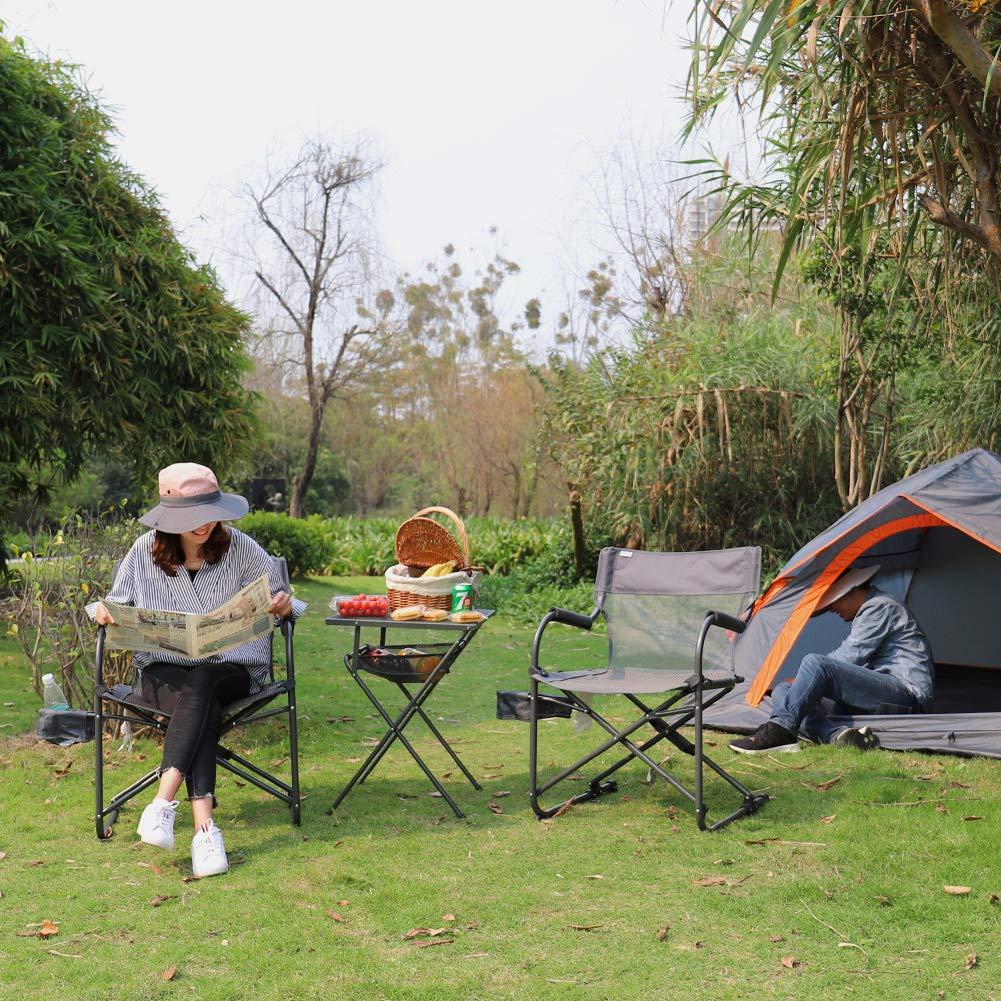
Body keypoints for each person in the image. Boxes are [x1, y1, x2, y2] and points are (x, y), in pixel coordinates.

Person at [90, 463, 305, 876]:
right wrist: (102, 611)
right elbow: (113, 604)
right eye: (193, 515)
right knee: (198, 701)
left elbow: (284, 600)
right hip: (163, 672)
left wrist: (282, 604)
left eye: (210, 512)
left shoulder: (241, 547)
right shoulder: (143, 551)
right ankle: (205, 832)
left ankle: (162, 803)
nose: (205, 523)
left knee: (203, 680)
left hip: (232, 670)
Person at [729, 564, 934, 754]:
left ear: (852, 591)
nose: (832, 609)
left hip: (907, 697)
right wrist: (802, 683)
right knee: (784, 690)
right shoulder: (870, 608)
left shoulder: (881, 606)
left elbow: (850, 657)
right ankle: (835, 736)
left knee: (815, 664)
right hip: (877, 697)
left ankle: (779, 731)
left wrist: (805, 678)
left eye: (834, 601)